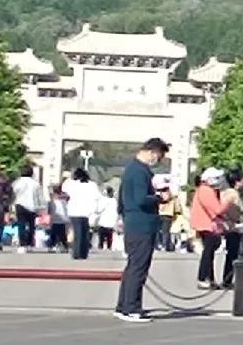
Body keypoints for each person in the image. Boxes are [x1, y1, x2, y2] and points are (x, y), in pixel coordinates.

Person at [112, 138, 168, 322]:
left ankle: (123, 305)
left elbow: (122, 199)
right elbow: (141, 199)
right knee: (138, 267)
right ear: (152, 152)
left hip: (132, 222)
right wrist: (159, 198)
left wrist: (122, 216)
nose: (158, 161)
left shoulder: (130, 169)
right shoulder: (140, 171)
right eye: (159, 157)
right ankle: (132, 308)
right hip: (142, 224)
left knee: (132, 266)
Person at [188, 169, 231, 288]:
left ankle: (209, 278)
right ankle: (203, 277)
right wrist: (228, 202)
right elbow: (217, 209)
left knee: (209, 252)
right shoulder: (206, 190)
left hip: (206, 224)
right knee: (208, 252)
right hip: (206, 225)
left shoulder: (206, 190)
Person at [61, 166, 102, 260]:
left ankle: (77, 252)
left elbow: (64, 189)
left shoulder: (71, 184)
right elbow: (98, 197)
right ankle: (83, 252)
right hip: (87, 211)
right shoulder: (92, 185)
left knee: (77, 232)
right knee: (85, 232)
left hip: (74, 210)